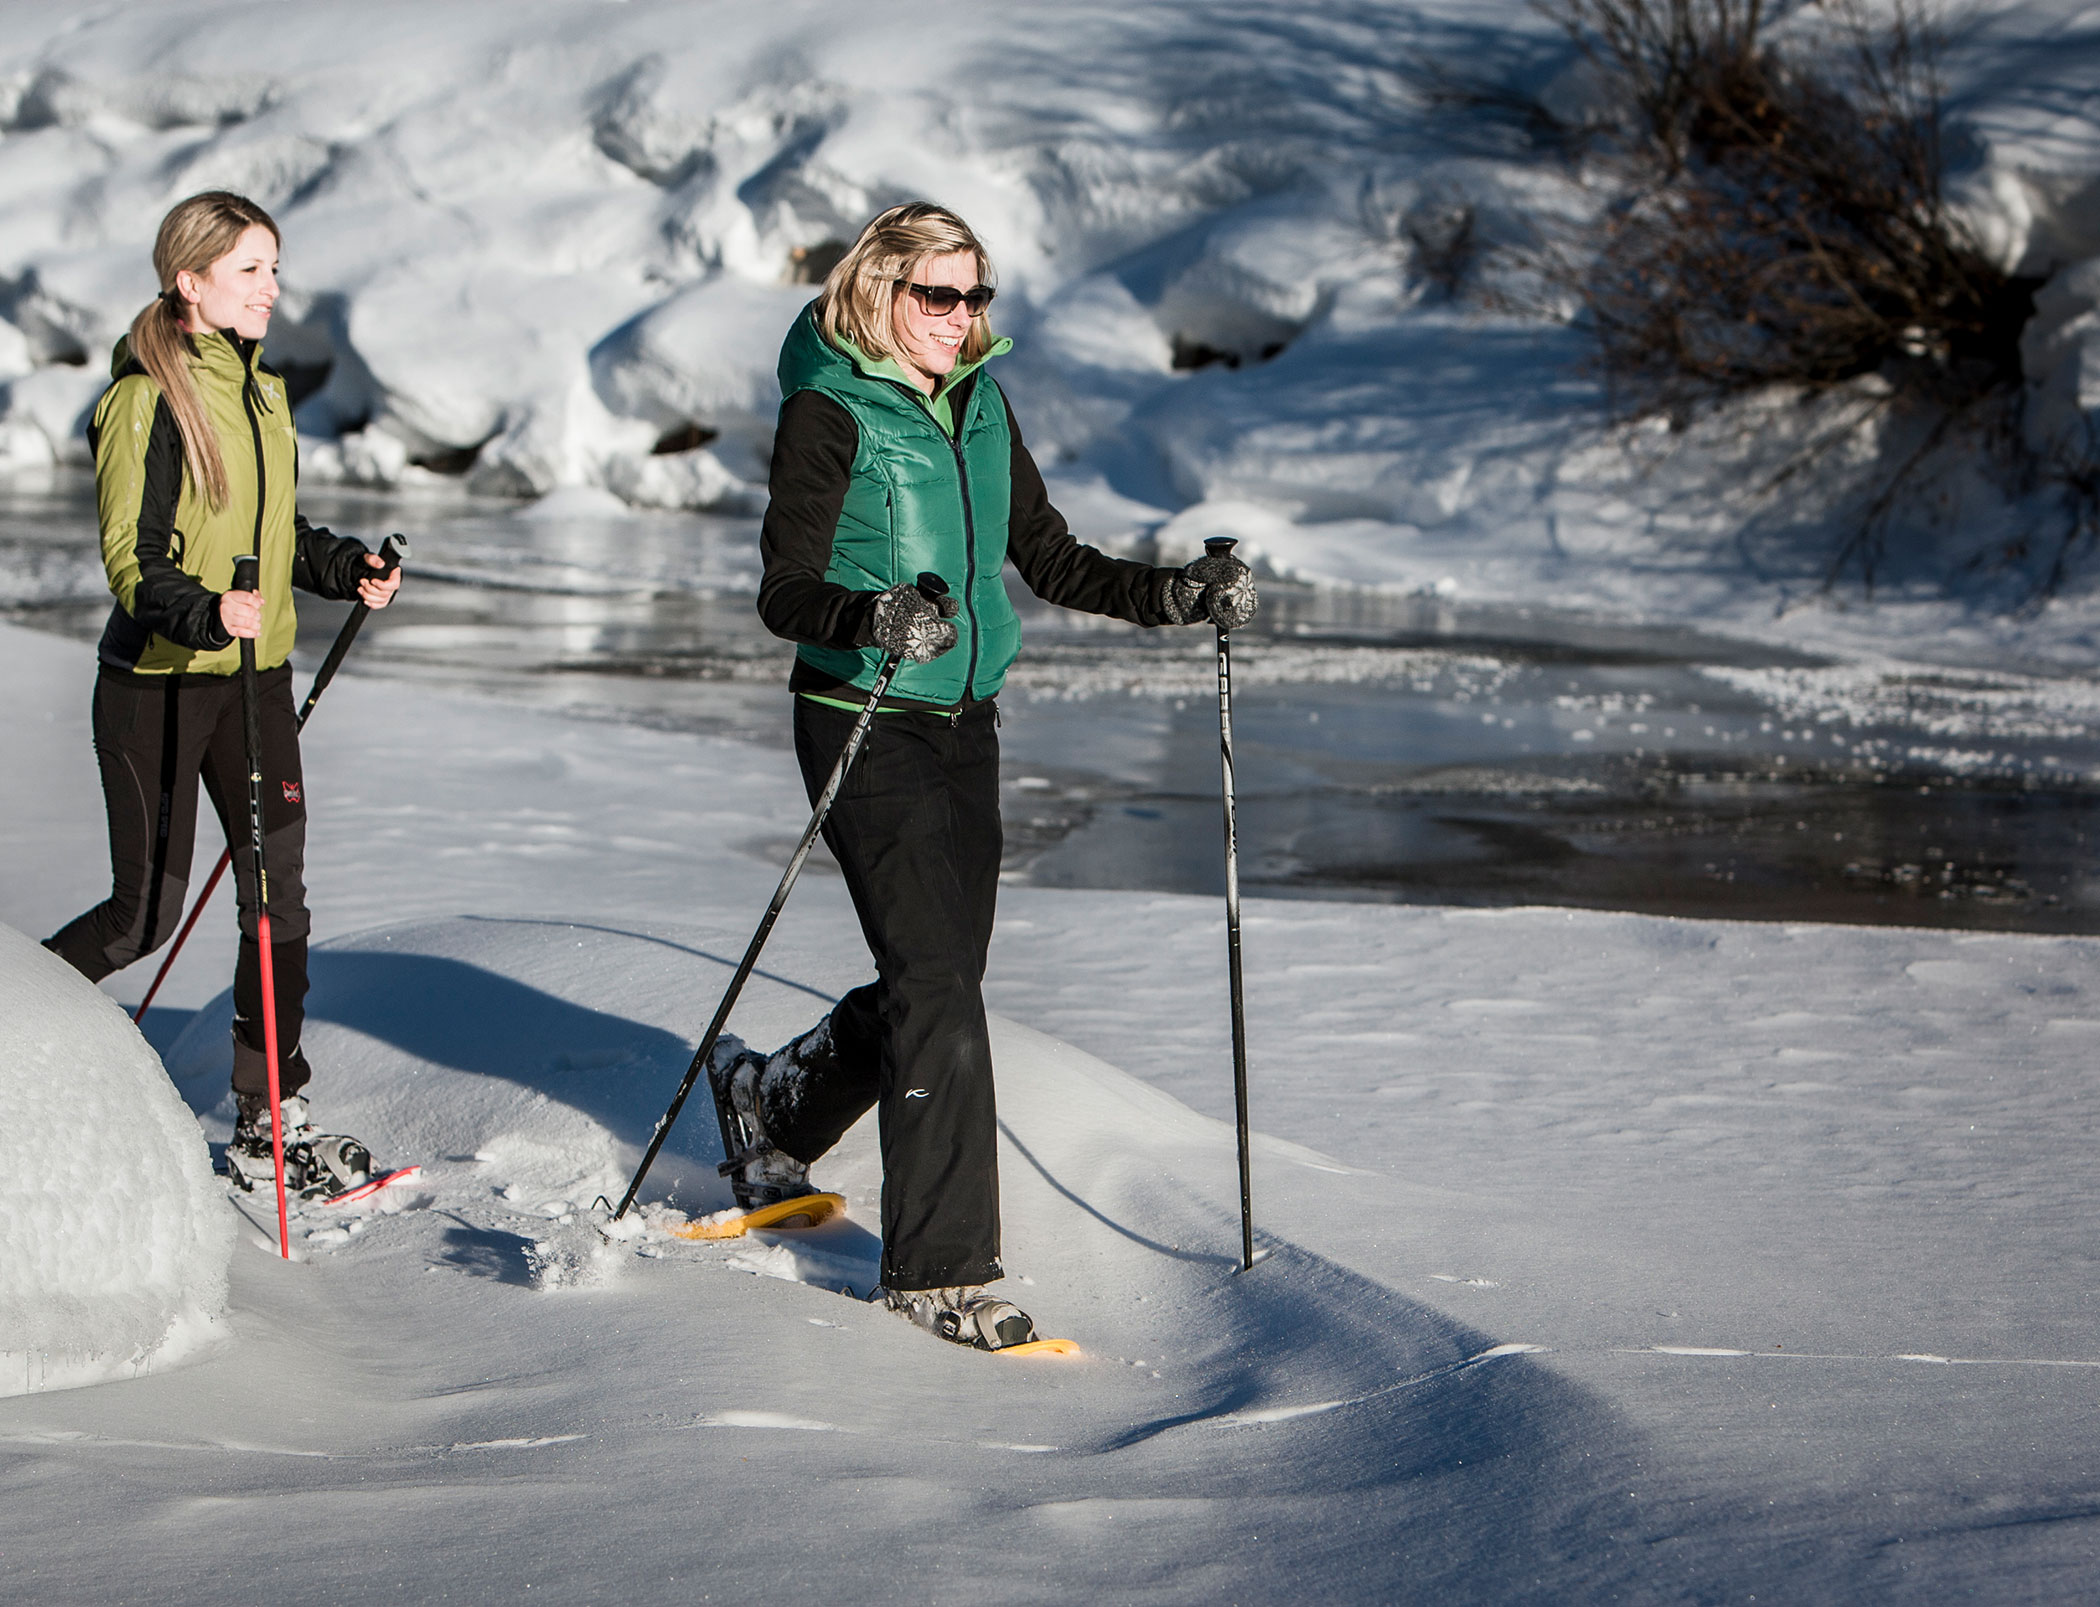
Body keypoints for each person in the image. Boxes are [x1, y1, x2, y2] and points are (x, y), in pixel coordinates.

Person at [713, 201, 1255, 1350]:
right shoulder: (828, 408)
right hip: (861, 713)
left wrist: (1170, 595)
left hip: (966, 723)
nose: (962, 320)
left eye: (976, 296)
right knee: (936, 984)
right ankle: (937, 1268)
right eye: (937, 296)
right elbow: (784, 589)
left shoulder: (981, 405)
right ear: (879, 290)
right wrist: (873, 613)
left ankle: (772, 1097)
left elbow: (1049, 557)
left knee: (941, 975)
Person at [44, 190, 402, 1196]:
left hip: (255, 682)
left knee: (275, 897)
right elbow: (134, 560)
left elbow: (269, 532)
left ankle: (269, 1108)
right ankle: (20, 1027)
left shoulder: (260, 389)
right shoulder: (143, 397)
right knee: (141, 914)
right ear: (189, 282)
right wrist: (208, 612)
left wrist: (344, 568)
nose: (272, 289)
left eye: (275, 270)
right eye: (252, 271)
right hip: (159, 684)